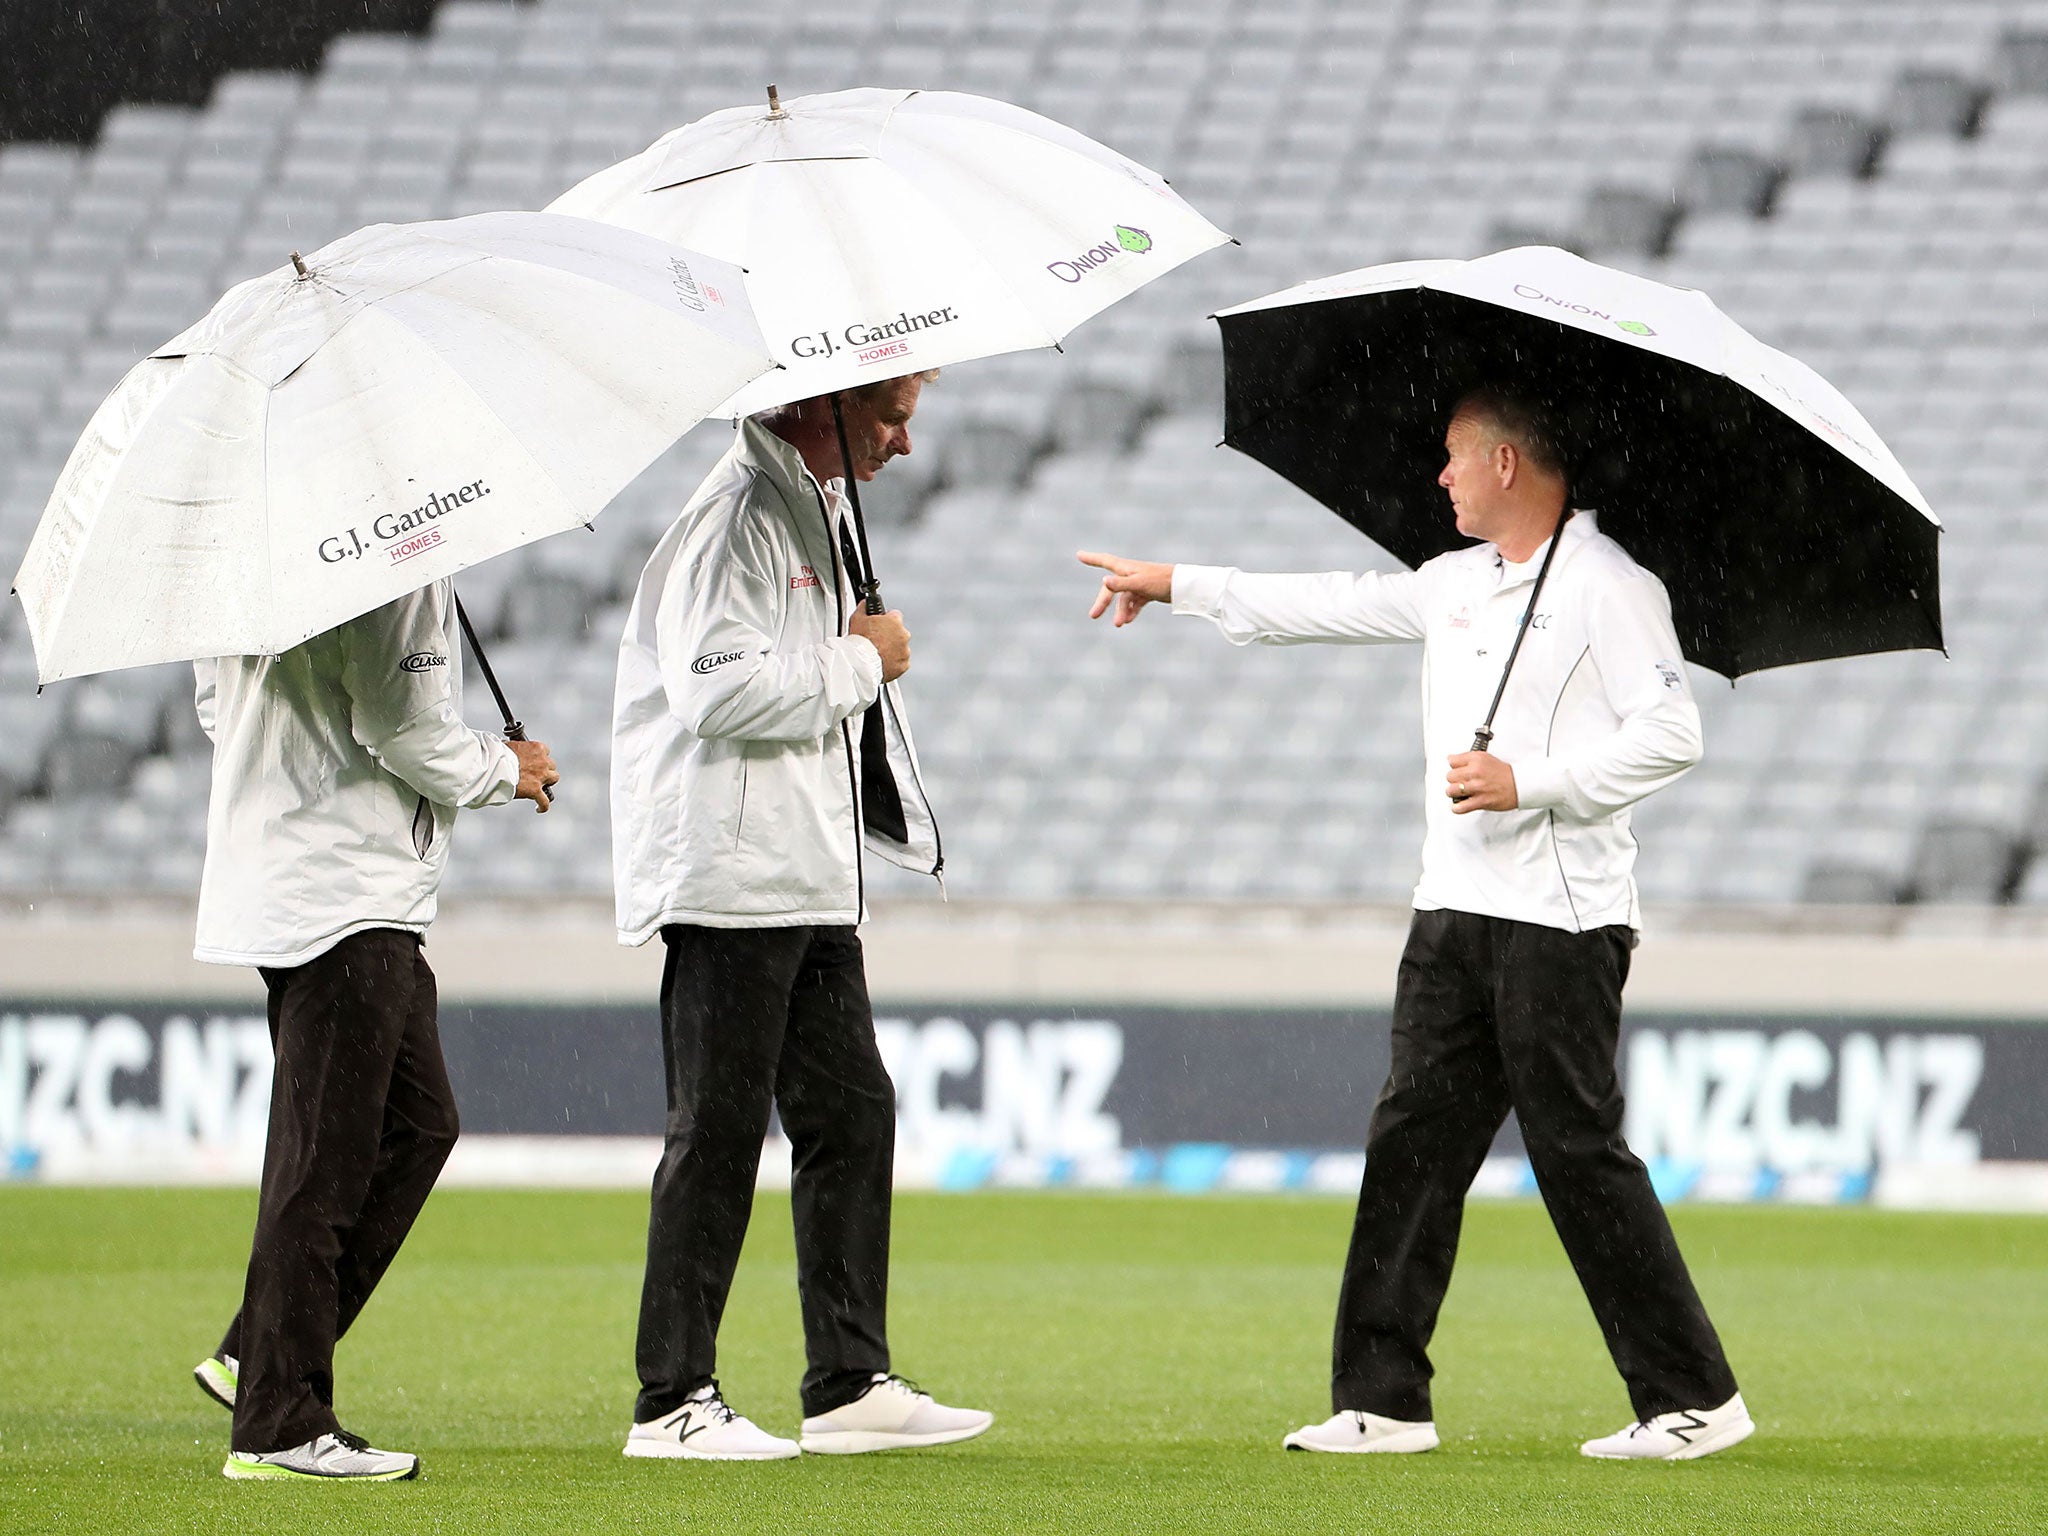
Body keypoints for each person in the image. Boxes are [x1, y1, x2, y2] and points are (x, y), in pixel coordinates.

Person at [1079, 385, 1751, 1462]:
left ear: (1501, 463)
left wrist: (1530, 781)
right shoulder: (1454, 582)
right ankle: (1382, 1399)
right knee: (1410, 1147)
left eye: (1449, 458)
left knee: (1575, 1151)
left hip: (1560, 920)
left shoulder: (1609, 585)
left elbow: (1672, 733)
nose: (1435, 477)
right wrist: (1178, 585)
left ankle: (1693, 1399)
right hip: (1451, 912)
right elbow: (1328, 602)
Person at [610, 372, 990, 1461]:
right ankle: (671, 1400)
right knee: (717, 1133)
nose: (904, 444)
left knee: (851, 1112)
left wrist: (856, 660)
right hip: (735, 878)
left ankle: (847, 1382)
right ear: (815, 406)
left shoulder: (803, 508)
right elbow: (716, 693)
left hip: (800, 876)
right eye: (888, 417)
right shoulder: (732, 518)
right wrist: (862, 658)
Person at [187, 579, 558, 1481]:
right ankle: (279, 1423)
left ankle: (260, 1352)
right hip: (345, 889)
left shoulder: (255, 552)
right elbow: (404, 729)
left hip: (292, 874)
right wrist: (507, 771)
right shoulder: (391, 553)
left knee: (417, 1125)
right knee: (324, 1162)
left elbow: (213, 706)